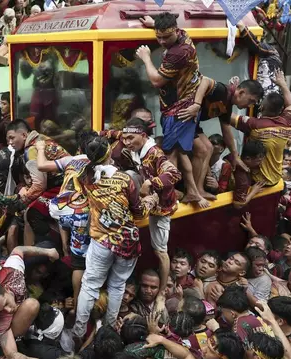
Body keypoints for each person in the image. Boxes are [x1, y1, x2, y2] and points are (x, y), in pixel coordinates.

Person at [71, 137, 157, 342]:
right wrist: (150, 200)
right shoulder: (124, 180)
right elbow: (139, 213)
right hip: (126, 242)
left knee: (90, 286)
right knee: (117, 285)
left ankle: (78, 332)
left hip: (101, 240)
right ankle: (108, 330)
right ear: (109, 154)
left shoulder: (83, 176)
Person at [136, 13, 206, 208]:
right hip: (183, 105)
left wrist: (146, 58)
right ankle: (191, 190)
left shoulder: (178, 52)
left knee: (170, 154)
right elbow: (166, 30)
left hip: (178, 110)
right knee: (182, 151)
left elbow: (157, 80)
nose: (161, 41)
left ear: (175, 31)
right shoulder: (183, 34)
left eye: (166, 37)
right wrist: (154, 25)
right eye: (159, 37)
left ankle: (170, 195)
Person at [121, 116, 181, 296]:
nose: (126, 142)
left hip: (161, 208)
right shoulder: (136, 147)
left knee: (160, 251)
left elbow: (175, 174)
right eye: (124, 139)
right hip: (146, 198)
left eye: (130, 138)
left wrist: (151, 183)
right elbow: (117, 134)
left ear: (143, 135)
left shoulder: (155, 153)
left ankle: (162, 292)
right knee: (129, 174)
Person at [230, 69, 291, 188]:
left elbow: (226, 115)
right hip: (275, 179)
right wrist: (283, 84)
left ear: (261, 107)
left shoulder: (254, 125)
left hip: (258, 182)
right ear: (281, 109)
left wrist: (233, 93)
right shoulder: (287, 122)